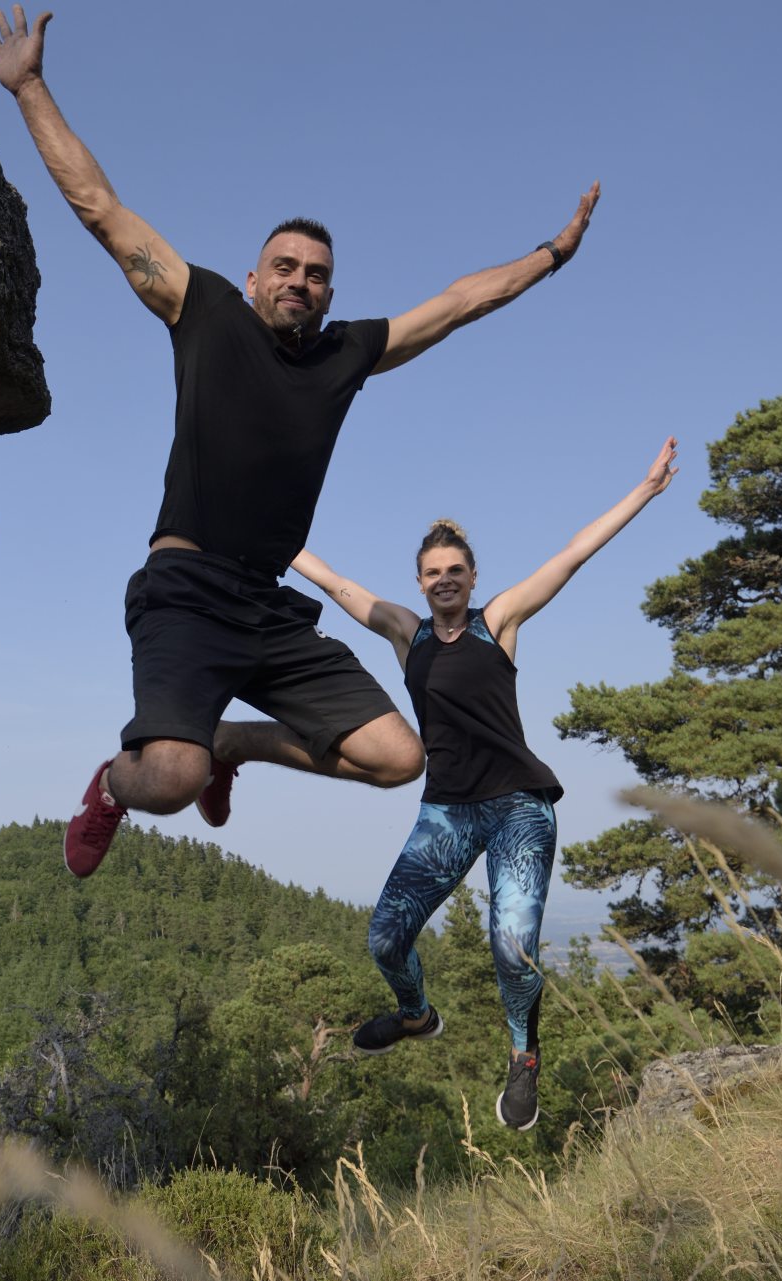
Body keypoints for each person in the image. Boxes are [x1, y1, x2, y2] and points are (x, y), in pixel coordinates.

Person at [0, 7, 602, 877]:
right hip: (186, 591)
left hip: (267, 607)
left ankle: (235, 743)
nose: (300, 280)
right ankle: (112, 786)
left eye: (316, 273)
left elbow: (459, 302)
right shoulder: (204, 311)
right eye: (286, 266)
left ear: (329, 291)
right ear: (256, 273)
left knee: (398, 757)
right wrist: (31, 86)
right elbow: (100, 208)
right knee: (167, 776)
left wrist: (552, 255)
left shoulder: (348, 353)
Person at [291, 437, 678, 1130]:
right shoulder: (404, 634)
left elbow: (571, 554)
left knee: (512, 946)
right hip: (448, 811)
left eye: (455, 570)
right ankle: (416, 1016)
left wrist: (644, 492)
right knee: (384, 938)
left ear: (472, 577)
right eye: (433, 571)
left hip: (518, 810)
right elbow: (334, 582)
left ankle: (523, 1054)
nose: (444, 579)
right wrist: (276, 539)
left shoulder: (496, 622)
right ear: (418, 582)